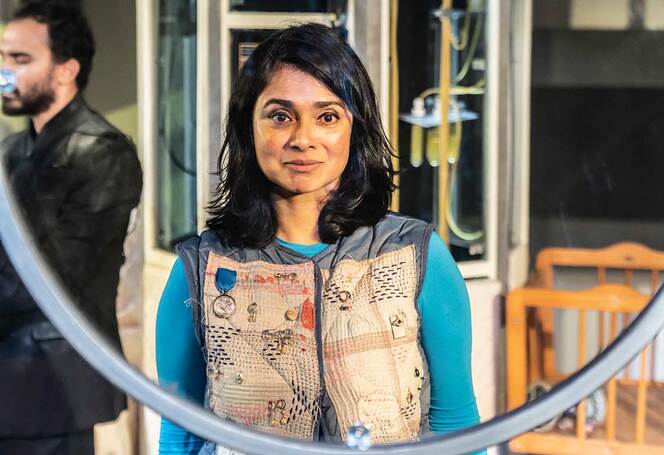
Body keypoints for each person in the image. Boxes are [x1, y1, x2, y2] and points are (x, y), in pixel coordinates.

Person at [156, 23, 482, 454]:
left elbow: (457, 424)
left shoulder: (416, 256)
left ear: (354, 128)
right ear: (247, 128)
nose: (303, 139)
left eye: (327, 117)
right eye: (280, 116)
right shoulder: (202, 271)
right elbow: (180, 435)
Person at [0, 3, 142, 454]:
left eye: (20, 59)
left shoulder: (103, 152)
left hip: (50, 382)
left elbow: (53, 278)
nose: (5, 71)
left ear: (66, 70)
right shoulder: (13, 149)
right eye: (3, 57)